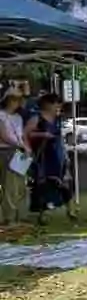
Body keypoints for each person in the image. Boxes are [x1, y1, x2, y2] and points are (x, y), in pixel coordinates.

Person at [23, 92, 74, 224]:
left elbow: (60, 139)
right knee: (43, 184)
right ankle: (43, 213)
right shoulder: (37, 118)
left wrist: (65, 155)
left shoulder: (57, 119)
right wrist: (43, 135)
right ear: (48, 104)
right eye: (56, 104)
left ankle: (70, 209)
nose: (58, 107)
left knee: (63, 183)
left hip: (57, 155)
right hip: (44, 155)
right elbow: (26, 134)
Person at [0, 86, 28, 224]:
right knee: (9, 185)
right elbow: (4, 136)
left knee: (20, 185)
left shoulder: (18, 118)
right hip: (6, 151)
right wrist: (19, 145)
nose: (18, 103)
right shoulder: (1, 115)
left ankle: (20, 215)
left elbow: (21, 136)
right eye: (15, 99)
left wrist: (26, 147)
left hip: (18, 152)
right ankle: (8, 217)